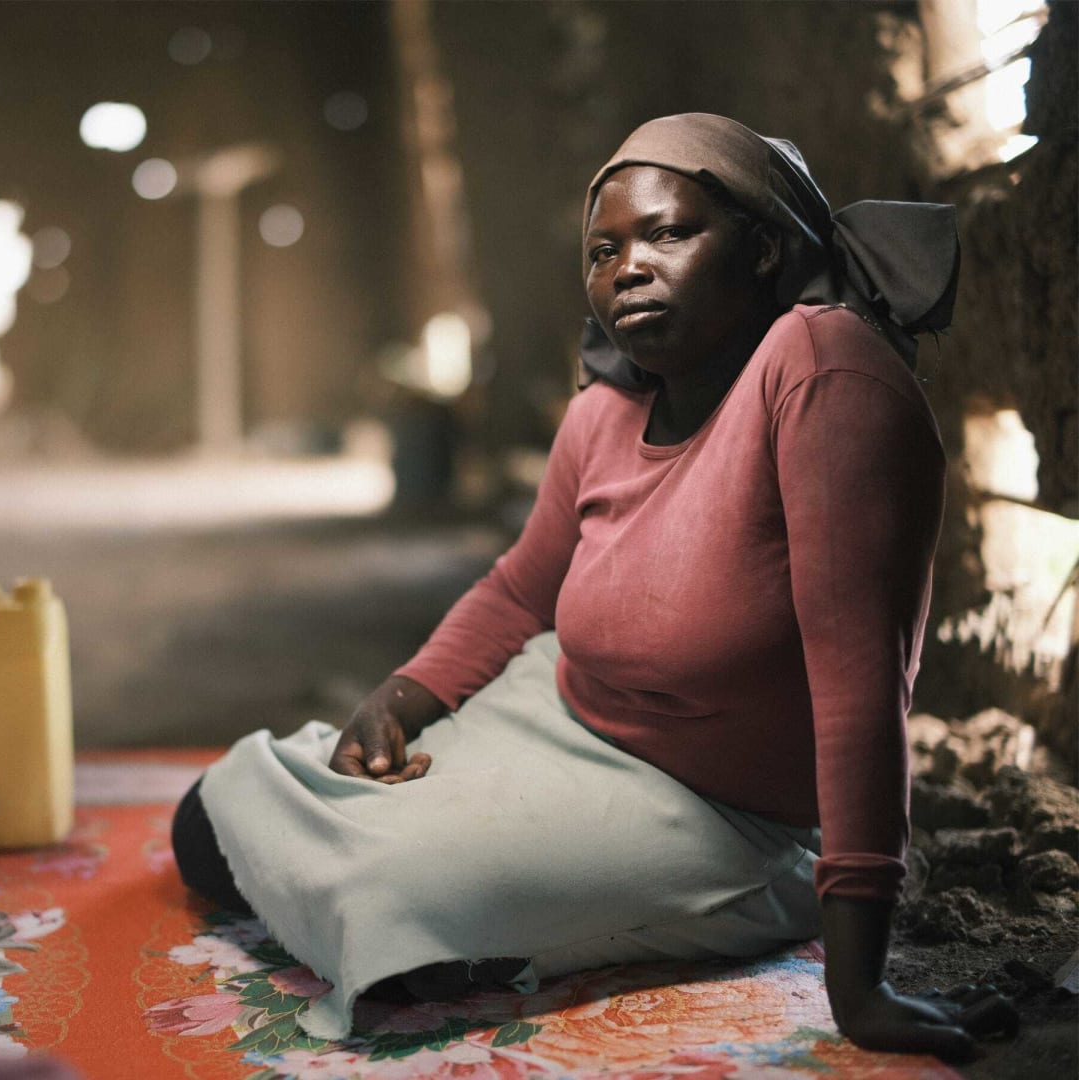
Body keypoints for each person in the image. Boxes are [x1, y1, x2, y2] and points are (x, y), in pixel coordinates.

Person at [171, 114, 1018, 1061]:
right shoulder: (608, 408)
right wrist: (400, 699)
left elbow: (865, 686)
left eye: (668, 233)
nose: (628, 267)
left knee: (386, 904)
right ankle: (456, 891)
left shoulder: (820, 372)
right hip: (555, 708)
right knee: (210, 822)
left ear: (766, 250)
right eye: (603, 250)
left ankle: (484, 905)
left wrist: (861, 989)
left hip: (726, 815)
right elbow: (522, 589)